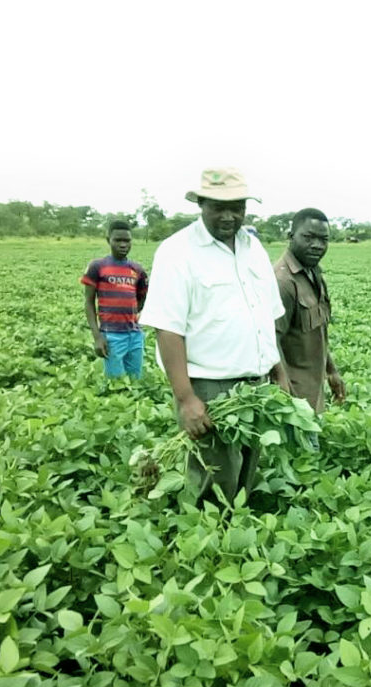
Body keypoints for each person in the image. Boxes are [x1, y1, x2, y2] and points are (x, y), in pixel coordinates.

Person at [140, 168, 291, 502]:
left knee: (246, 473)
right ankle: (207, 547)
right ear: (201, 204)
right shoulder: (177, 251)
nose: (229, 215)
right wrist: (186, 399)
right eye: (218, 206)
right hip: (209, 388)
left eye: (236, 206)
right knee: (213, 480)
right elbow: (167, 329)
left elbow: (266, 317)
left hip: (257, 385)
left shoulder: (253, 248)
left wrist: (279, 372)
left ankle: (234, 541)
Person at [274, 208, 346, 416]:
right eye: (308, 237)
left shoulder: (314, 273)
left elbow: (317, 331)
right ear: (290, 237)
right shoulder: (283, 282)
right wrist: (284, 395)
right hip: (292, 401)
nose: (317, 245)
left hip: (313, 394)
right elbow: (271, 341)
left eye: (323, 239)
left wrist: (331, 371)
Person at [81, 220, 148, 380]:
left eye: (127, 240)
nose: (123, 245)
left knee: (135, 381)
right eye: (118, 240)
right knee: (116, 383)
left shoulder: (137, 269)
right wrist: (97, 336)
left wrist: (130, 315)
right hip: (111, 336)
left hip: (134, 334)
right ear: (108, 240)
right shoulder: (97, 267)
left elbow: (143, 297)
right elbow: (89, 302)